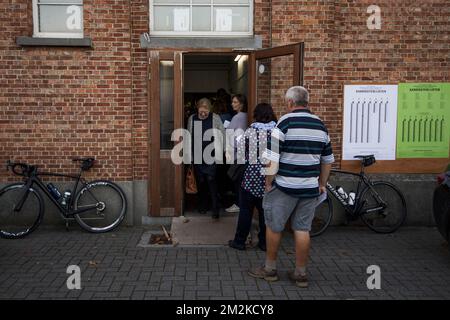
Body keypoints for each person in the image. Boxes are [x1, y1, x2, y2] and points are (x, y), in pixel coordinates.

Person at [248, 86, 334, 288]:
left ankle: (270, 269)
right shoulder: (320, 125)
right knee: (302, 229)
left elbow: (272, 157)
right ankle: (301, 274)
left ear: (289, 103)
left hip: (284, 186)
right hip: (309, 188)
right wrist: (322, 183)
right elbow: (328, 159)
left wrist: (268, 182)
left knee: (274, 227)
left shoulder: (285, 122)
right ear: (307, 102)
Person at [228, 103, 277, 251]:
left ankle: (240, 241)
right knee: (264, 212)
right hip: (269, 177)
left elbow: (241, 154)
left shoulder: (250, 131)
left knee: (245, 211)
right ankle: (264, 242)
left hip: (250, 177)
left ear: (256, 114)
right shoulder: (276, 132)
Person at [187, 98, 225, 219]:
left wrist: (224, 150)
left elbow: (222, 134)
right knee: (201, 182)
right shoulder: (192, 118)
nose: (203, 112)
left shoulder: (215, 118)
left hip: (211, 155)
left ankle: (215, 208)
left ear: (210, 109)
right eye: (201, 109)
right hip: (197, 155)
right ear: (197, 108)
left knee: (211, 180)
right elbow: (188, 136)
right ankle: (203, 205)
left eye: (206, 110)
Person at [225, 94, 248, 213]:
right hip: (246, 153)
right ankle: (242, 203)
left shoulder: (237, 117)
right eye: (232, 102)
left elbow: (230, 136)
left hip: (237, 154)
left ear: (241, 104)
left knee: (236, 180)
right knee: (242, 180)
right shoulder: (247, 116)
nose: (232, 104)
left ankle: (239, 204)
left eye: (235, 102)